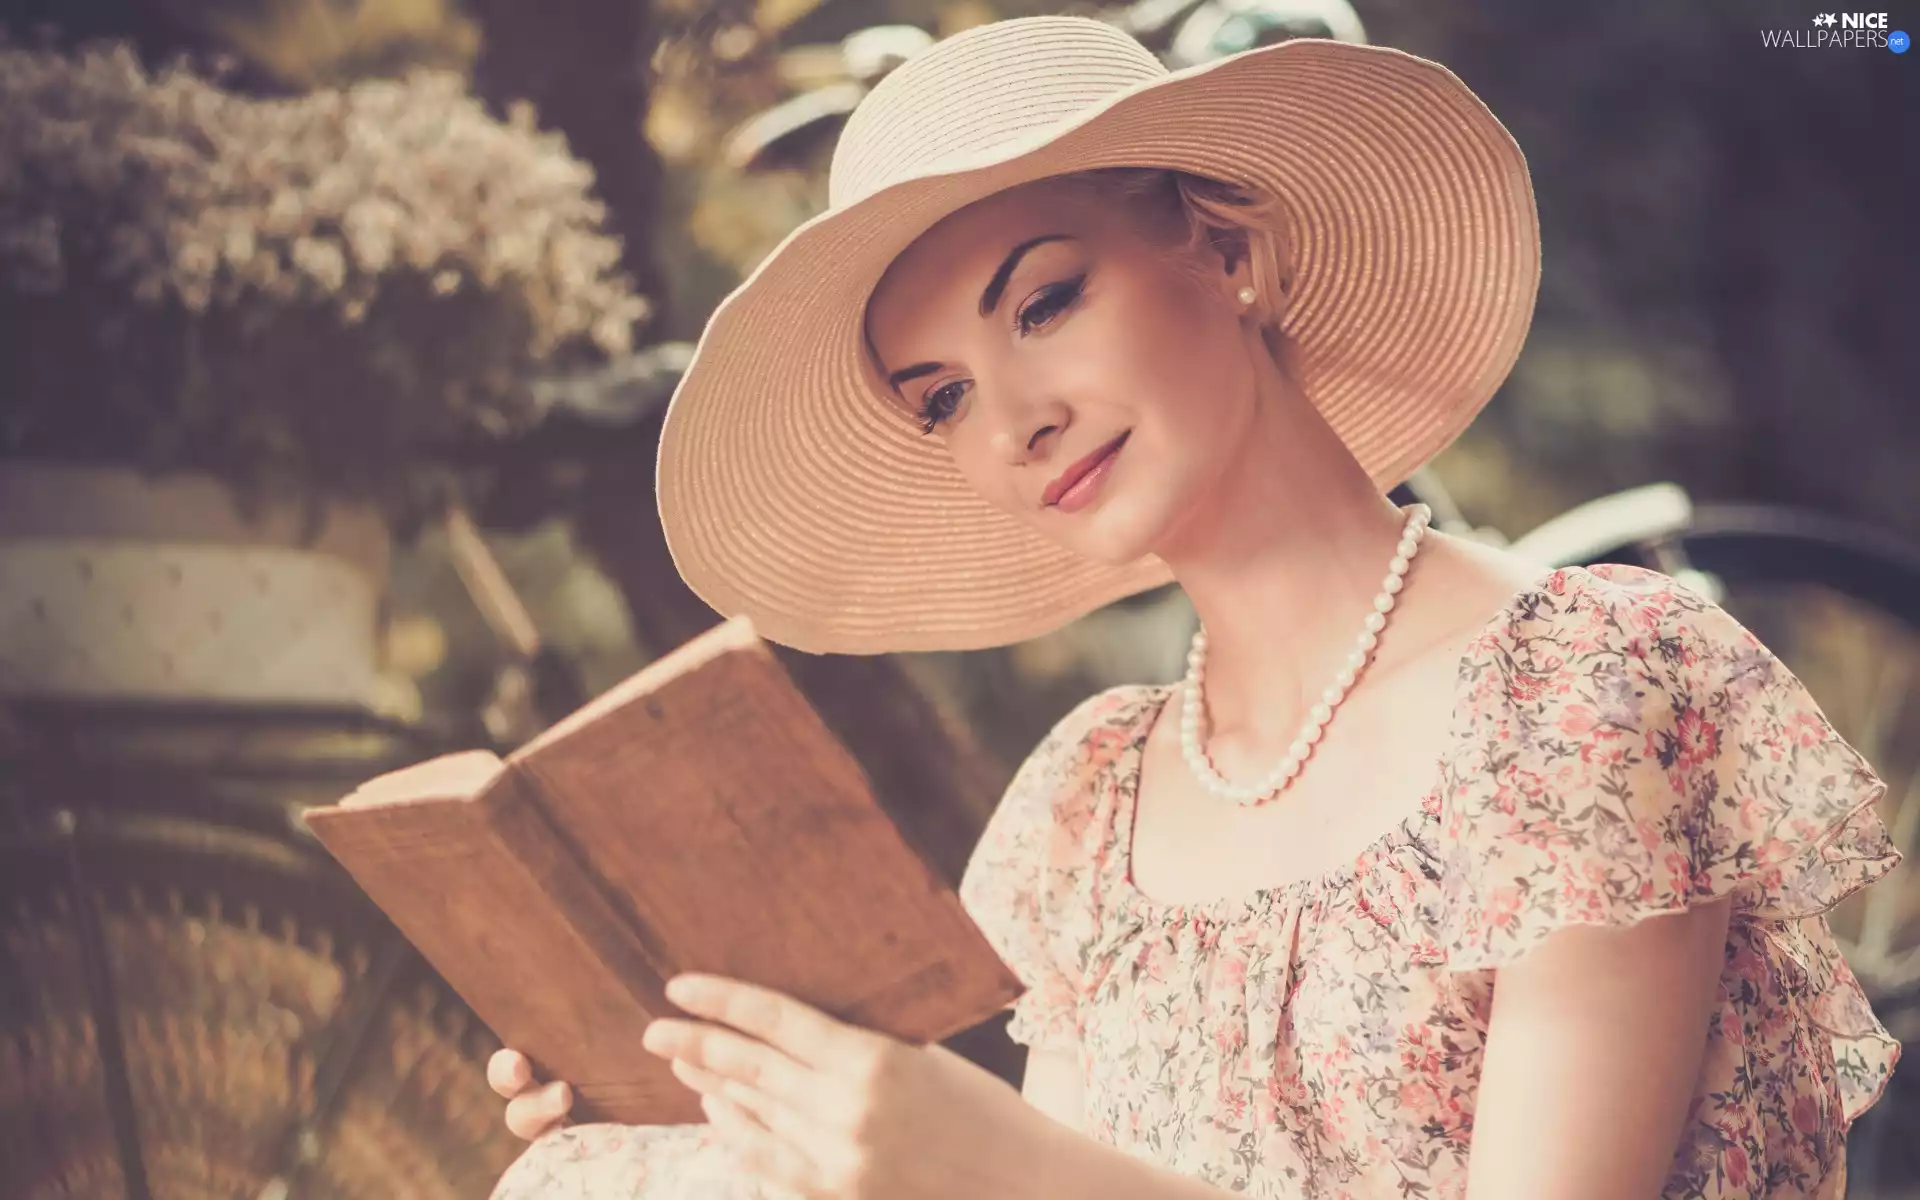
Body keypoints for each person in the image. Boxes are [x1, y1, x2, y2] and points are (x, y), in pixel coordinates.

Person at [487, 15, 1901, 1199]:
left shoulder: (1584, 690)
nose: (1015, 425)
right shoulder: (1090, 805)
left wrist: (1005, 1170)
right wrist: (713, 1126)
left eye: (1042, 304)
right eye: (944, 398)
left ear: (1226, 251)